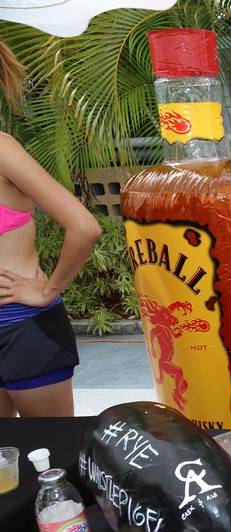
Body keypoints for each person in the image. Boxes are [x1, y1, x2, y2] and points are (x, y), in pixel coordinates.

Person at [0, 42, 101, 417]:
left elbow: (84, 226)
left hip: (21, 328)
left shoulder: (3, 151)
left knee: (50, 446)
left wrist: (47, 290)